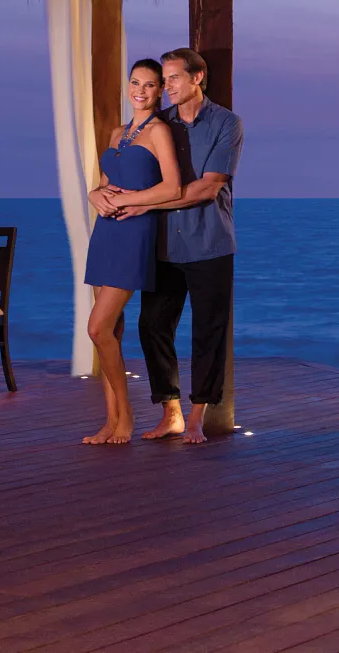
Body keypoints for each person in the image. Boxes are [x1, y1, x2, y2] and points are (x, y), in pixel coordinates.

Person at [99, 46, 242, 445]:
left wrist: (136, 200)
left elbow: (206, 187)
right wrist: (102, 193)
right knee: (153, 326)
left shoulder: (226, 123)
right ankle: (171, 411)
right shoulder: (158, 124)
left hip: (210, 241)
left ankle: (198, 415)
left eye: (173, 77)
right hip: (161, 242)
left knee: (208, 331)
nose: (167, 85)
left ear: (198, 78)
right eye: (165, 78)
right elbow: (132, 176)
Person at [80, 59, 180, 445]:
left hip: (135, 231)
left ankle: (128, 414)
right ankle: (110, 420)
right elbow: (106, 183)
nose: (141, 90)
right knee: (110, 334)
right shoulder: (117, 132)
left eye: (151, 84)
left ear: (159, 90)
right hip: (105, 233)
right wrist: (92, 194)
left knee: (97, 327)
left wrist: (135, 199)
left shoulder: (159, 132)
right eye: (135, 82)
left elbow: (172, 187)